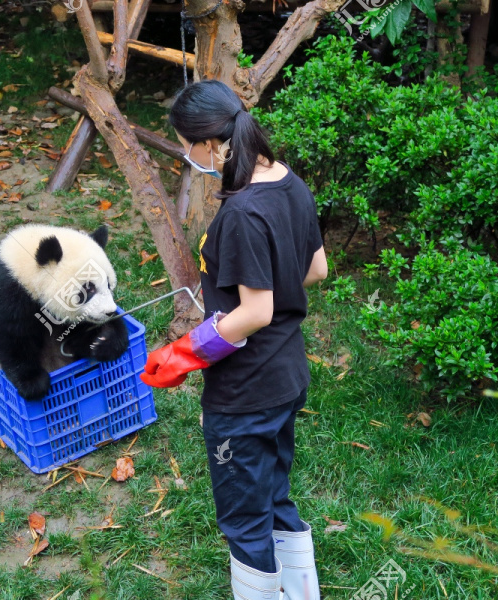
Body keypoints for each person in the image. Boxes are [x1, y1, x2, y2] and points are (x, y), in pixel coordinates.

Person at [140, 79, 328, 600]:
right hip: (288, 377)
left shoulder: (243, 211)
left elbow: (257, 311)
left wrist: (187, 350)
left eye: (184, 144)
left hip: (246, 394)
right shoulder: (288, 181)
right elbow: (316, 269)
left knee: (244, 519)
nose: (185, 155)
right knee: (272, 493)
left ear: (208, 145)